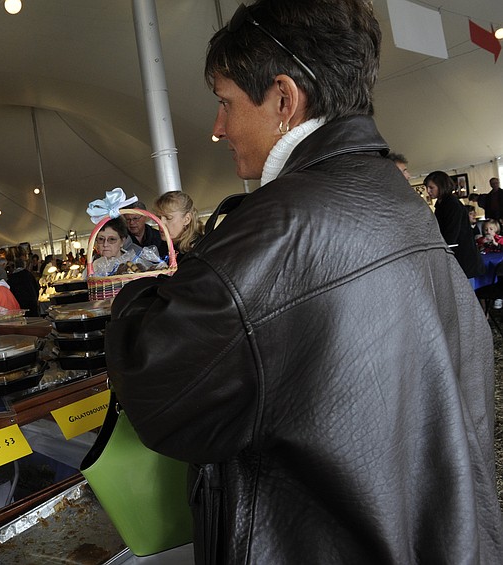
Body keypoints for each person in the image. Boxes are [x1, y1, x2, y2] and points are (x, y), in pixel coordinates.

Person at [104, 1, 503, 563]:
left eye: (226, 103)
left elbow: (157, 388)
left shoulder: (278, 226)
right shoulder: (396, 200)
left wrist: (134, 293)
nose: (218, 129)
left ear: (285, 100)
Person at [424, 170, 485, 278]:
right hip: (458, 254)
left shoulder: (451, 204)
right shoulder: (441, 203)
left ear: (441, 186)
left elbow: (451, 234)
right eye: (427, 188)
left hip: (463, 256)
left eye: (431, 187)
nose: (428, 191)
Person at [153, 191, 204, 260]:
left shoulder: (199, 250)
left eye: (168, 218)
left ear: (186, 219)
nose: (160, 223)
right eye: (158, 217)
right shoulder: (165, 245)